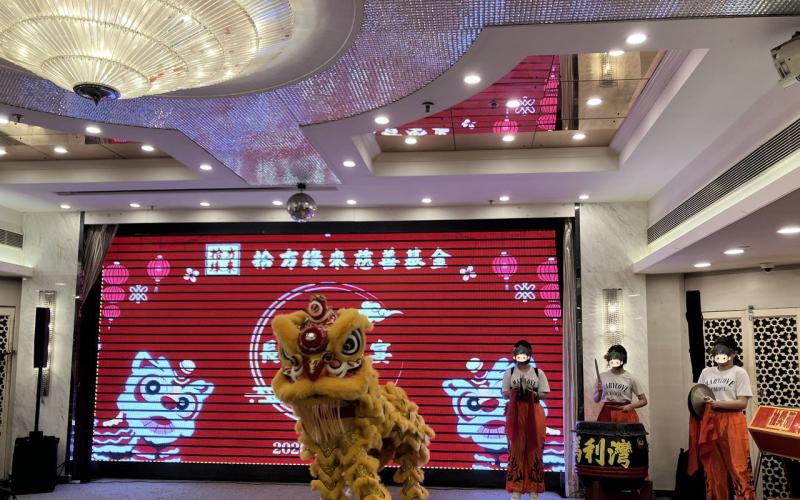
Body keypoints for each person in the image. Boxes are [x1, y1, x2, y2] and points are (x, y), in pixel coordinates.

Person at [696, 336, 756, 500]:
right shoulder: (706, 372)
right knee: (714, 469)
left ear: (733, 354)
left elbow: (742, 403)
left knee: (738, 467)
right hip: (710, 422)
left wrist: (718, 403)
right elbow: (698, 396)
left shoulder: (739, 372)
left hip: (733, 421)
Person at [501, 340, 550, 500]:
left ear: (529, 354)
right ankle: (516, 488)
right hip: (515, 413)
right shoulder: (509, 372)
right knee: (516, 449)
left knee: (534, 449)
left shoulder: (538, 372)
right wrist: (515, 391)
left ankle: (533, 489)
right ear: (514, 354)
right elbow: (504, 393)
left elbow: (544, 393)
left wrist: (533, 393)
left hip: (534, 411)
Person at [592, 345, 648, 422]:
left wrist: (631, 406)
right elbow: (596, 400)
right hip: (606, 413)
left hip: (625, 413)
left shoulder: (631, 378)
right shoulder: (602, 376)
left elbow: (644, 400)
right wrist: (599, 392)